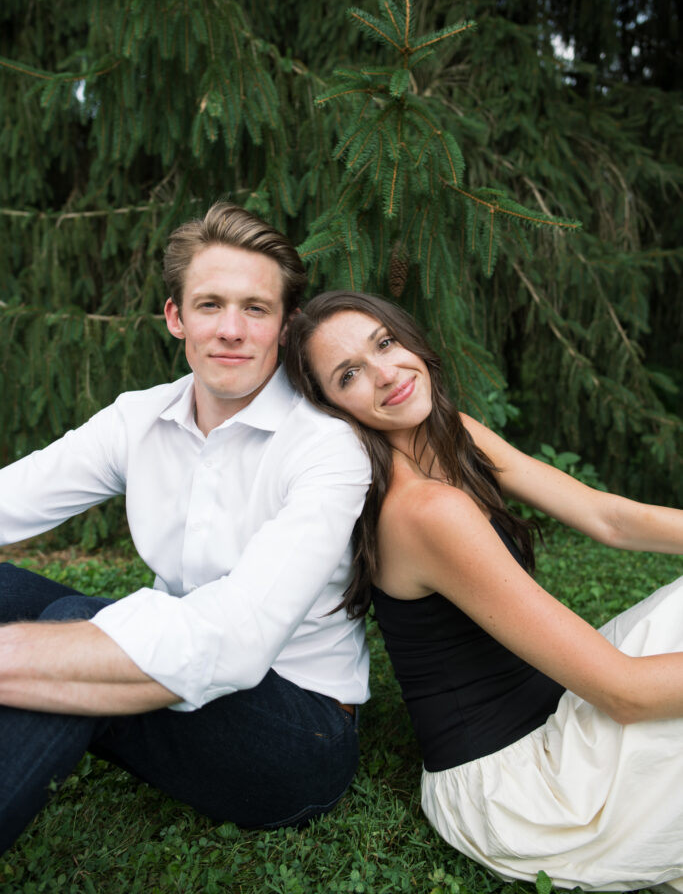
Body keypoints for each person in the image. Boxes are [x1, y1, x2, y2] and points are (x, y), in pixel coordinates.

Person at [284, 289, 683, 894]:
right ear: (332, 410)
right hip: (523, 789)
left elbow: (608, 518)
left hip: (558, 708)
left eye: (385, 343)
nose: (386, 374)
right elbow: (623, 692)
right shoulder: (424, 510)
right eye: (349, 375)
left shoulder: (449, 435)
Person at [0, 204, 371, 853]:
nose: (231, 329)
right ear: (176, 317)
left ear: (283, 327)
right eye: (209, 305)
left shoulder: (324, 449)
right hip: (172, 681)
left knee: (71, 626)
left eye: (255, 308)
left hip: (296, 735)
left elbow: (234, 643)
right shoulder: (138, 420)